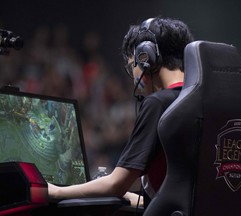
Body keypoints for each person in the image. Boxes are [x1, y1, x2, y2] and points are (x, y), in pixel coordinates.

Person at [48, 15, 194, 209]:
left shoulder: (158, 103)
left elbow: (116, 184)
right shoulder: (202, 100)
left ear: (146, 58)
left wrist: (54, 191)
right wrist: (140, 200)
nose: (133, 76)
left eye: (131, 65)